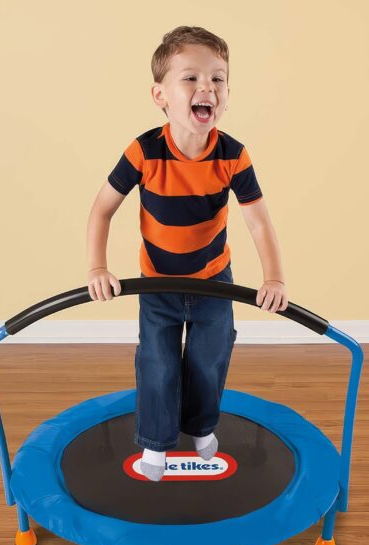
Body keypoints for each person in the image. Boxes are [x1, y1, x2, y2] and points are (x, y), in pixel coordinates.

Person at [86, 26, 288, 481]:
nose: (206, 89)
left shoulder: (233, 155)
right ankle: (155, 444)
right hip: (157, 282)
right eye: (191, 78)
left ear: (227, 95)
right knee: (156, 362)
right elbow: (101, 210)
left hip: (215, 280)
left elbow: (258, 221)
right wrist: (98, 267)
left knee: (209, 358)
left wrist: (273, 277)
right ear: (160, 95)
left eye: (217, 80)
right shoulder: (144, 151)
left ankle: (201, 428)